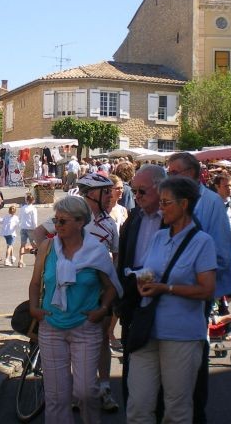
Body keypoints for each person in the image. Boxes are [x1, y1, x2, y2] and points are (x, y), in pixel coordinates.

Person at [126, 176, 217, 424]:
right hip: (148, 331)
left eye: (166, 202)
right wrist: (142, 282)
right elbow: (149, 271)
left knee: (176, 410)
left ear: (184, 204)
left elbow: (207, 290)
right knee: (137, 406)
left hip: (181, 335)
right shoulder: (159, 237)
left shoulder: (202, 242)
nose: (162, 207)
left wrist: (166, 288)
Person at [28, 195, 122, 424]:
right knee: (56, 396)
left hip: (85, 327)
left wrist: (102, 309)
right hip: (51, 326)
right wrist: (34, 308)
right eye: (56, 220)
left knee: (85, 392)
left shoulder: (96, 251)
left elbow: (111, 287)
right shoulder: (47, 248)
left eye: (63, 221)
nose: (57, 226)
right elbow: (35, 283)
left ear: (80, 222)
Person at [165, 151, 231, 424]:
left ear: (193, 174)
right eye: (168, 172)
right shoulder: (169, 200)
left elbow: (220, 251)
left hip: (196, 291)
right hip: (167, 290)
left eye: (175, 172)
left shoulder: (209, 203)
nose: (169, 176)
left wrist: (202, 282)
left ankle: (196, 414)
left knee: (195, 355)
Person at [116, 164, 167, 406]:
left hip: (165, 300)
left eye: (141, 191)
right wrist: (122, 299)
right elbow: (124, 258)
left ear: (160, 189)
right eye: (134, 191)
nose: (135, 196)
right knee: (132, 362)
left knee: (164, 370)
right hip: (134, 300)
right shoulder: (133, 218)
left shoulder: (173, 219)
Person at [76, 172, 120, 412]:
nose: (111, 196)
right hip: (73, 290)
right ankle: (79, 388)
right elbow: (43, 234)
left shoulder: (110, 223)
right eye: (106, 191)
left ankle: (104, 388)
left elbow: (117, 256)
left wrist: (112, 286)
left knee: (102, 338)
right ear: (93, 193)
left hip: (101, 291)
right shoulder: (73, 216)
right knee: (74, 338)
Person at [18, 193, 38, 268]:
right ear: (33, 201)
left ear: (26, 200)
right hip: (31, 228)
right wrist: (35, 228)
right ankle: (36, 260)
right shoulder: (33, 209)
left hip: (23, 227)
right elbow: (34, 220)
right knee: (34, 245)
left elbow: (19, 217)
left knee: (22, 245)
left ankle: (20, 261)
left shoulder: (23, 208)